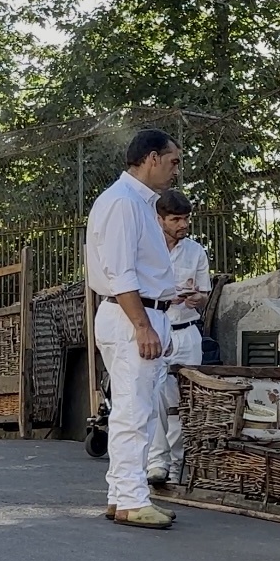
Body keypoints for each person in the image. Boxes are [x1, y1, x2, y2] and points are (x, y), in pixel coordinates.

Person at [85, 129, 182, 529]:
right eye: (174, 161)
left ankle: (122, 494)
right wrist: (143, 325)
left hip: (137, 313)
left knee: (135, 408)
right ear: (153, 158)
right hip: (131, 314)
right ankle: (130, 498)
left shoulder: (138, 203)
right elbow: (120, 272)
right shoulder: (124, 203)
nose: (177, 170)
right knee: (133, 410)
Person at [147, 188, 210, 486]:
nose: (182, 225)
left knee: (185, 401)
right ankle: (157, 462)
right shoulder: (147, 248)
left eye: (185, 219)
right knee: (158, 397)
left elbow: (204, 292)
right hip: (159, 329)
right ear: (160, 219)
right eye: (176, 219)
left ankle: (178, 464)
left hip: (187, 332)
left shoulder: (196, 251)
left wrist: (196, 298)